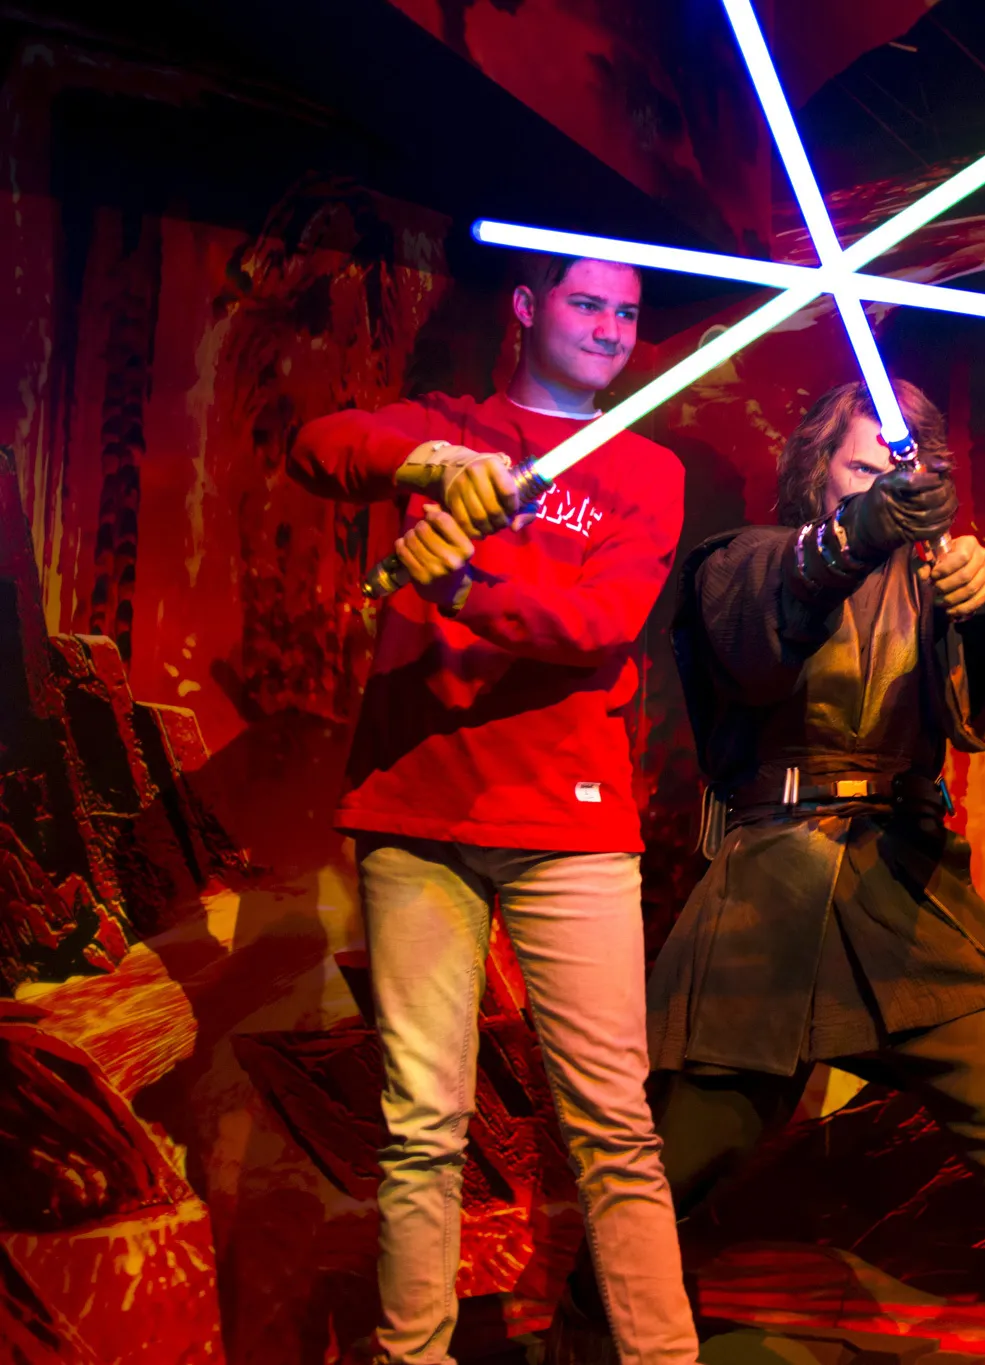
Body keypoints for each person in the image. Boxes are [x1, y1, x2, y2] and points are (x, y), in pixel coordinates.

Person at [288, 253, 699, 1365]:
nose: (612, 328)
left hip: (568, 822)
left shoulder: (646, 468)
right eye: (586, 303)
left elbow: (601, 623)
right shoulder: (446, 425)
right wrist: (430, 462)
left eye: (626, 311)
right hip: (416, 810)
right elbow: (321, 448)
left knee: (614, 1124)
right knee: (422, 1126)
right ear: (527, 309)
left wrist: (463, 585)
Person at [644, 378, 985, 1365]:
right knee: (668, 1174)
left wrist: (978, 613)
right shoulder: (747, 560)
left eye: (900, 472)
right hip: (773, 891)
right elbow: (754, 652)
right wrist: (852, 534)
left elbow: (977, 722)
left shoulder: (946, 579)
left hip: (905, 889)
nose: (881, 486)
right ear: (818, 466)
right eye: (860, 466)